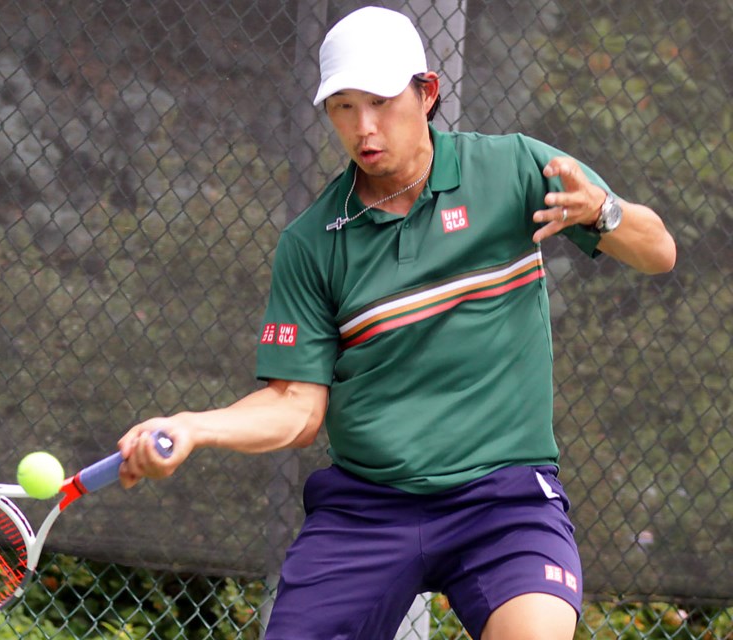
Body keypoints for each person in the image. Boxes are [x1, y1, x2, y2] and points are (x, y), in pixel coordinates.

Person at [117, 6, 677, 640]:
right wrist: (191, 427)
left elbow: (659, 250)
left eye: (381, 101)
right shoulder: (311, 243)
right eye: (343, 108)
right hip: (366, 508)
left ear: (427, 92)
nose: (365, 127)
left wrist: (602, 212)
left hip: (505, 496)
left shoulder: (517, 169)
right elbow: (297, 409)